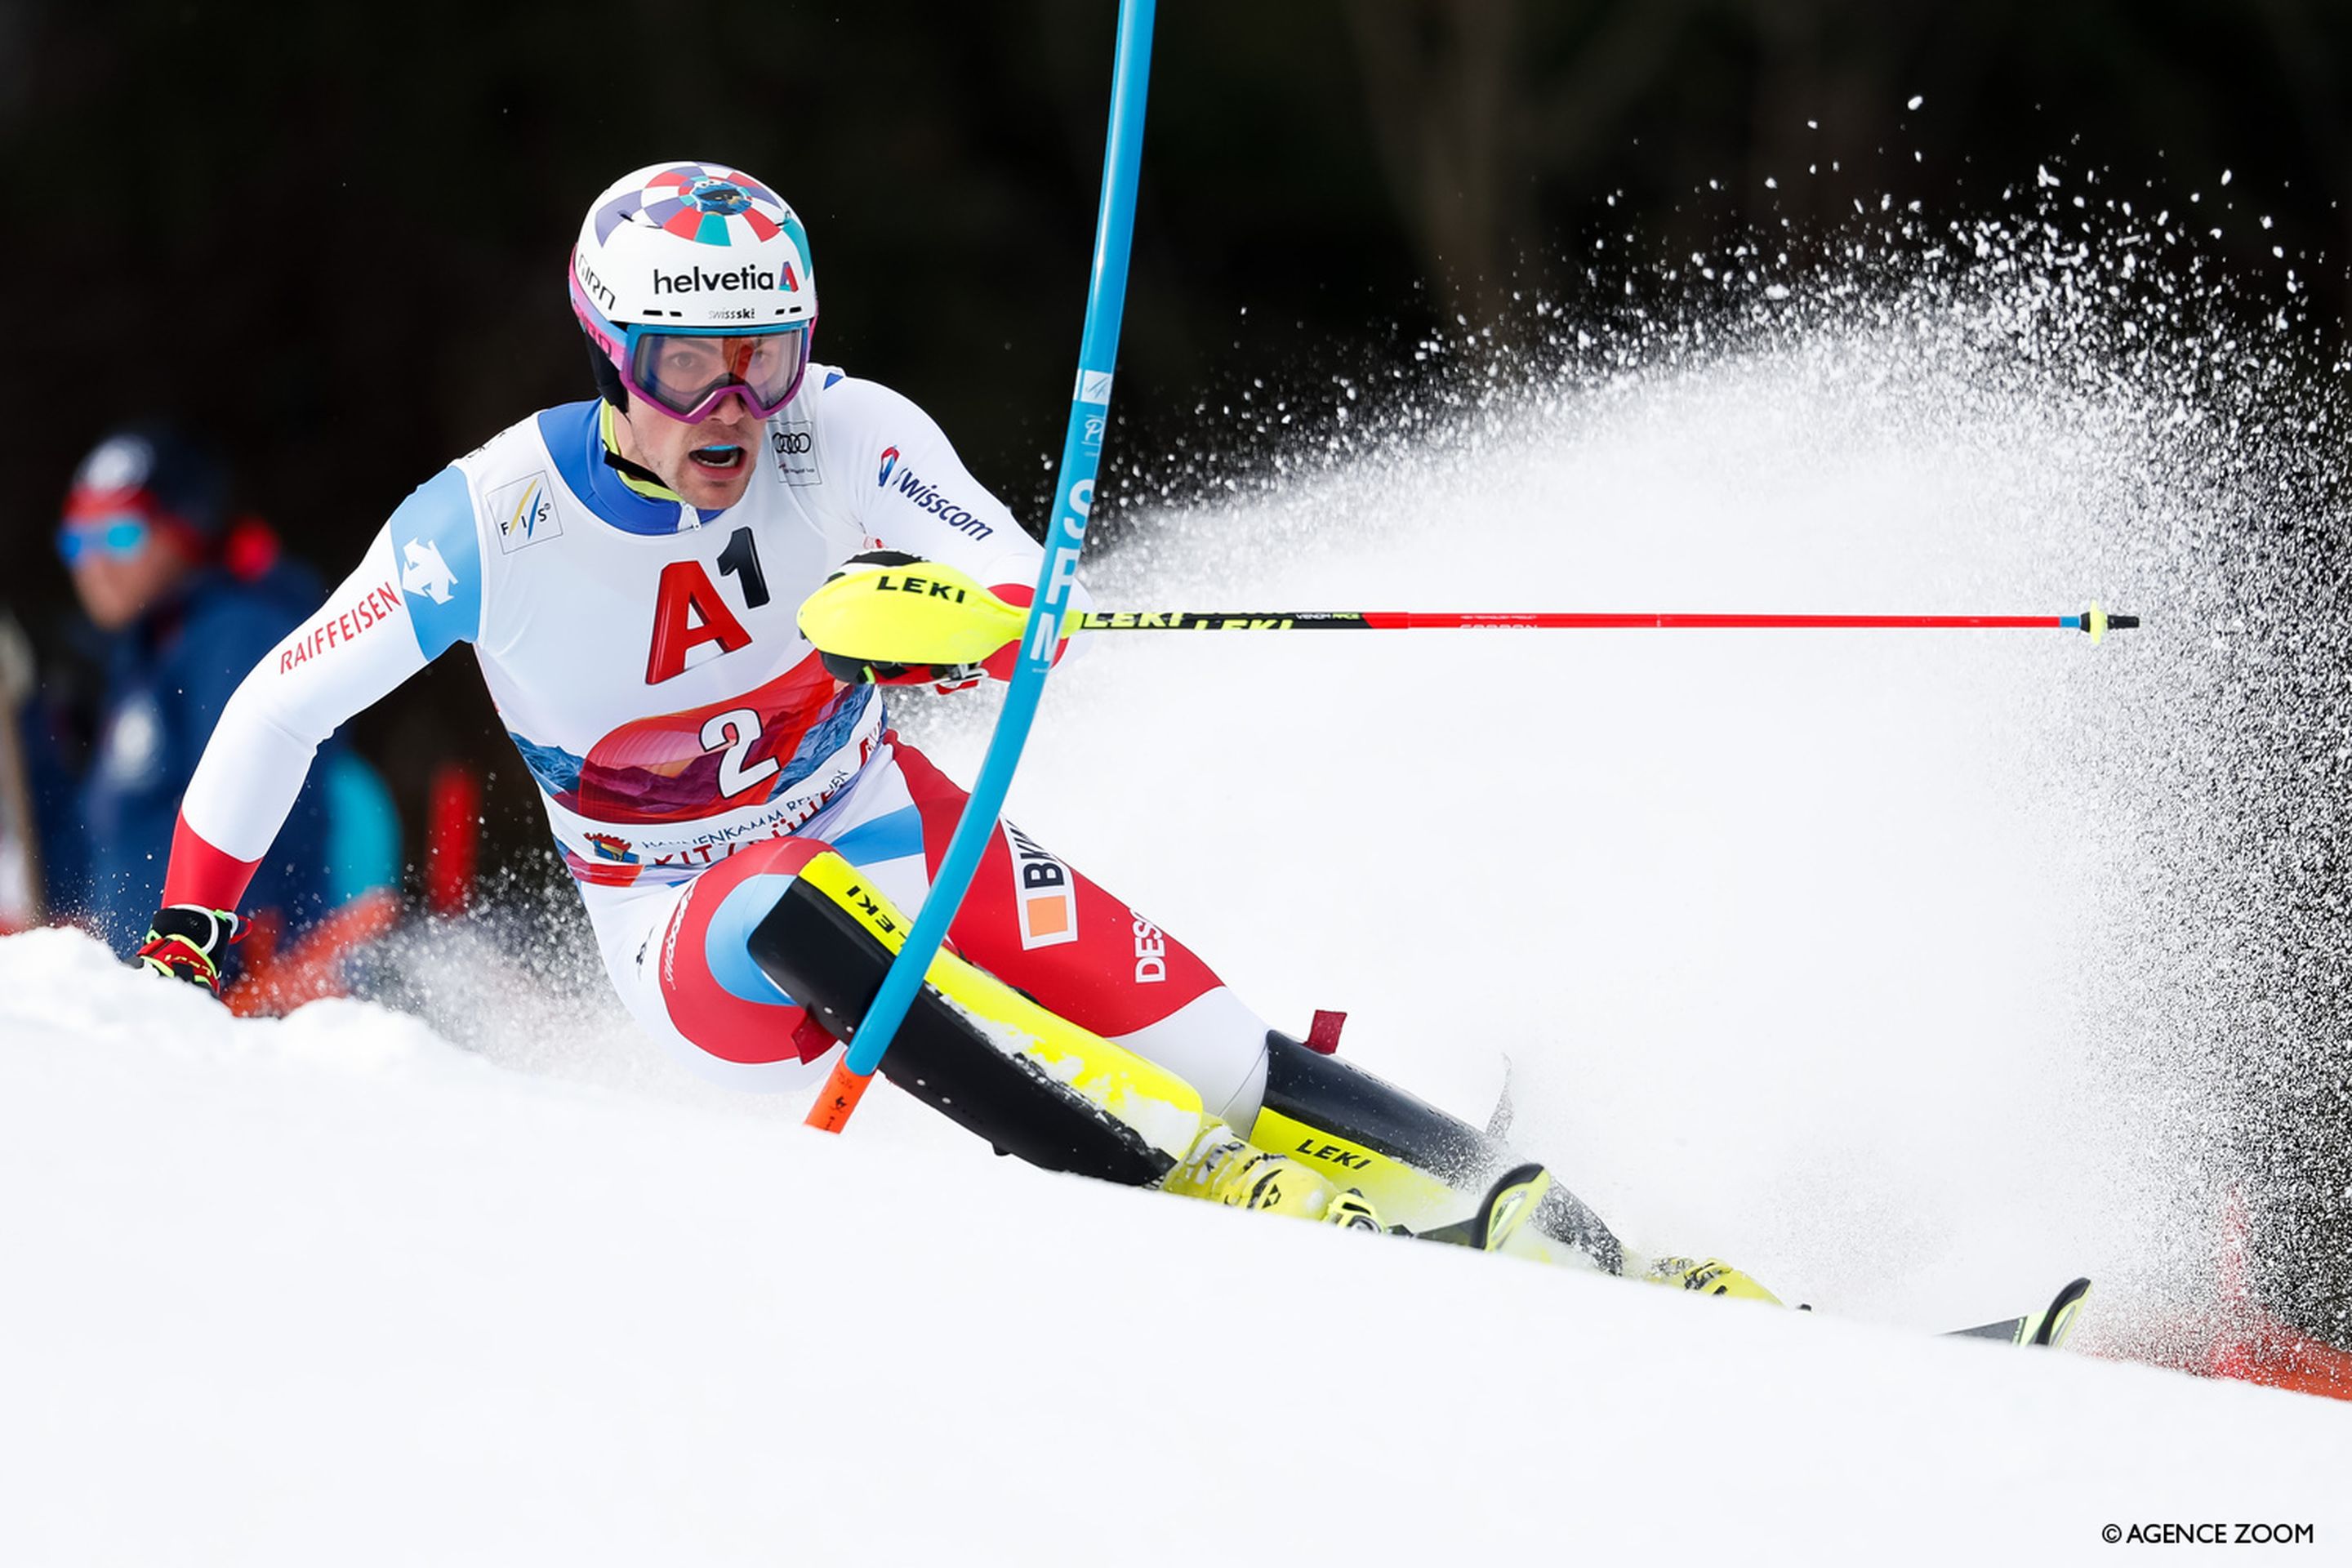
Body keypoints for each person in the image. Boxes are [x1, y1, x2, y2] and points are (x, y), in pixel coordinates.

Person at [136, 159, 1775, 1298]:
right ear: (615, 352)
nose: (737, 408)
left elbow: (1009, 585)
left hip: (886, 812)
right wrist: (195, 928)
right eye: (692, 364)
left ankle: (1527, 1209)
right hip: (691, 920)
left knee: (1221, 1055)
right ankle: (1150, 1195)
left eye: (765, 357)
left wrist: (974, 633)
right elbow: (283, 703)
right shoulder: (490, 518)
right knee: (804, 907)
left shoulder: (840, 429)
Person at [36, 423, 400, 1002]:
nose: (96, 563)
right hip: (152, 1006)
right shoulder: (142, 655)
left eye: (122, 535)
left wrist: (242, 966)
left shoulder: (237, 635)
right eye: (79, 541)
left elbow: (260, 795)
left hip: (222, 1005)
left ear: (186, 534)